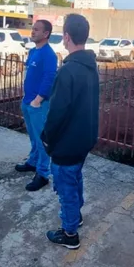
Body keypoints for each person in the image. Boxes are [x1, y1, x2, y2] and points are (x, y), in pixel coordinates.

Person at [41, 14, 99, 250]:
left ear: (66, 37)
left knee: (66, 187)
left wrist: (47, 138)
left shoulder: (68, 71)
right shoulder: (91, 65)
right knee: (76, 178)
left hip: (67, 142)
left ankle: (69, 233)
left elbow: (57, 113)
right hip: (84, 138)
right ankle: (76, 216)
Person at [15, 20, 57, 191]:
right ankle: (33, 162)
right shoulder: (33, 51)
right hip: (28, 101)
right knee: (33, 136)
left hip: (38, 104)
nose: (32, 32)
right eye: (32, 29)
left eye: (36, 30)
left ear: (46, 34)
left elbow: (49, 78)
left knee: (41, 141)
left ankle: (43, 174)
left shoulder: (49, 54)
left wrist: (37, 100)